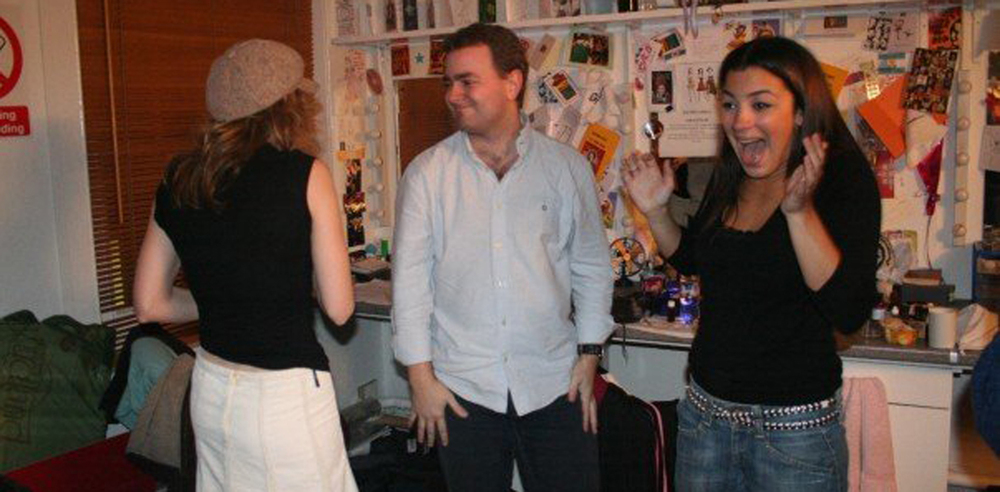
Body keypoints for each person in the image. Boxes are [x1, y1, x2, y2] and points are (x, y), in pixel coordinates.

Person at [623, 36, 880, 492]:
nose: (740, 122)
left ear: (800, 110)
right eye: (729, 104)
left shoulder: (841, 179)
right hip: (706, 418)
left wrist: (799, 214)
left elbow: (848, 311)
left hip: (794, 431)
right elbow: (693, 258)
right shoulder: (731, 175)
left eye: (760, 104)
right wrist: (657, 210)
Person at [391, 22, 613, 492]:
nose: (453, 94)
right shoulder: (427, 175)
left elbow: (591, 267)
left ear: (512, 82)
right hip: (460, 390)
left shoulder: (566, 168)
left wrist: (590, 353)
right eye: (447, 82)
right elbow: (410, 286)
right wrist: (420, 378)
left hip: (555, 384)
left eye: (467, 81)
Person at [133, 39, 358, 492]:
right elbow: (339, 308)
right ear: (286, 108)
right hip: (284, 400)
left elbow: (150, 303)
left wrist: (225, 300)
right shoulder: (305, 173)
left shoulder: (178, 177)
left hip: (212, 390)